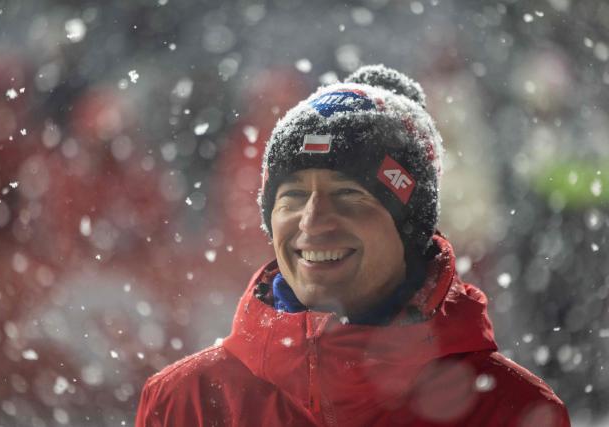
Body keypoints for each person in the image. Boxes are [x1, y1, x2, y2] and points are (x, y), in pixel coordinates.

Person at [135, 65, 570, 426]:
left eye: (349, 195)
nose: (313, 222)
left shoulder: (512, 412)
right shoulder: (184, 400)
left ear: (411, 228)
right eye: (292, 196)